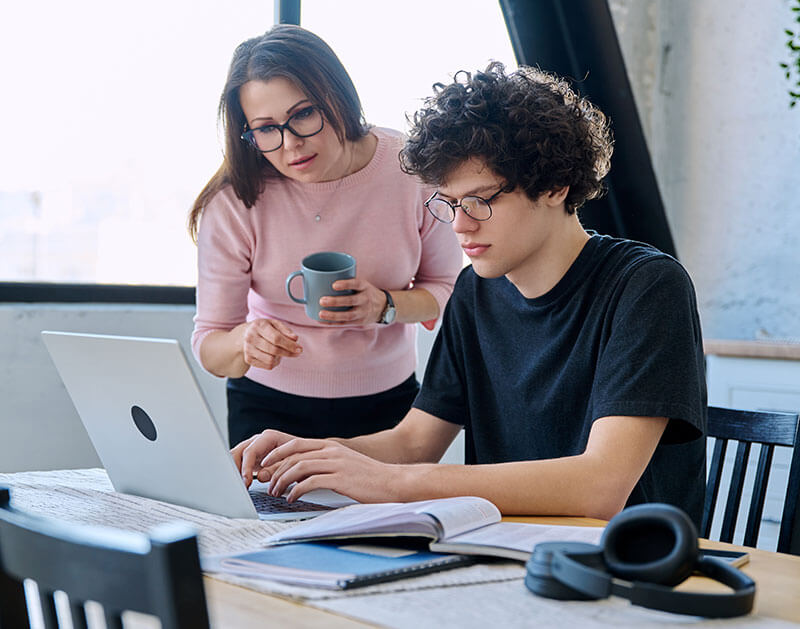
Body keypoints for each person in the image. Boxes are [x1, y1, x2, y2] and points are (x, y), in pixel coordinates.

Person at [233, 62, 708, 525]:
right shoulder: (475, 290)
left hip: (627, 568)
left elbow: (600, 486)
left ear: (556, 185)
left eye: (481, 200)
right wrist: (311, 453)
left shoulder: (646, 286)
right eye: (451, 203)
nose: (461, 225)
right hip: (505, 554)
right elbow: (415, 442)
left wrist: (395, 484)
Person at [189, 25, 462, 447]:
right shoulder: (235, 202)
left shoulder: (411, 171)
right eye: (265, 128)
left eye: (302, 115)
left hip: (388, 404)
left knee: (387, 516)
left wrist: (384, 306)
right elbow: (211, 344)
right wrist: (246, 341)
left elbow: (445, 288)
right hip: (266, 407)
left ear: (337, 96)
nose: (290, 145)